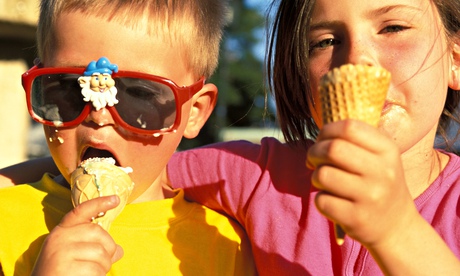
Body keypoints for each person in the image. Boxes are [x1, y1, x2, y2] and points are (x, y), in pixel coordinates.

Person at [2, 0, 460, 275]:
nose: (357, 60)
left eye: (394, 27)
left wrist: (398, 230)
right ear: (300, 74)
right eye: (324, 41)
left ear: (456, 59)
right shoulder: (256, 177)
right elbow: (139, 162)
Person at [0, 1, 257, 275]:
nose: (99, 116)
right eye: (68, 87)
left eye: (140, 95)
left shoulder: (227, 249)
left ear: (193, 112)